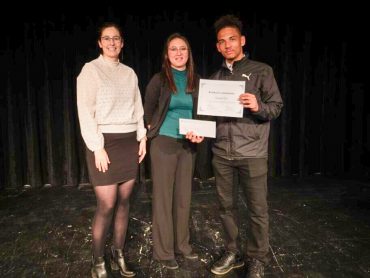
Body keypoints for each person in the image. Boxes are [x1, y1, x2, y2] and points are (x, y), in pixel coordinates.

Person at [208, 15, 283, 278]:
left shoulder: (262, 71)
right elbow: (208, 116)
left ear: (242, 40)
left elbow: (276, 107)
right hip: (221, 154)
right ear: (217, 47)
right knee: (226, 207)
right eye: (222, 42)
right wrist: (198, 130)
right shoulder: (214, 78)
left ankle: (257, 258)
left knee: (257, 209)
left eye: (232, 39)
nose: (227, 45)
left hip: (252, 153)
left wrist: (258, 106)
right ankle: (233, 252)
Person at [77, 22, 146, 278]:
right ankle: (97, 261)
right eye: (107, 38)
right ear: (99, 42)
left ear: (122, 42)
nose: (112, 42)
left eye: (116, 38)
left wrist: (142, 137)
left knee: (125, 202)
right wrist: (97, 147)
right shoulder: (90, 71)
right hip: (105, 143)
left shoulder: (129, 73)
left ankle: (118, 255)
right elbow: (85, 112)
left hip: (129, 142)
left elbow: (138, 108)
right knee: (106, 203)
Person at [144, 33, 204, 270]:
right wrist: (154, 131)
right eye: (173, 49)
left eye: (183, 49)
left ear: (189, 53)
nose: (178, 53)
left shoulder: (197, 80)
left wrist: (199, 131)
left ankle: (182, 245)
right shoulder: (159, 80)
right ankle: (164, 251)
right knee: (163, 198)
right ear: (166, 55)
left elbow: (202, 112)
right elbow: (148, 111)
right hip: (164, 143)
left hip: (188, 145)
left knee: (183, 198)